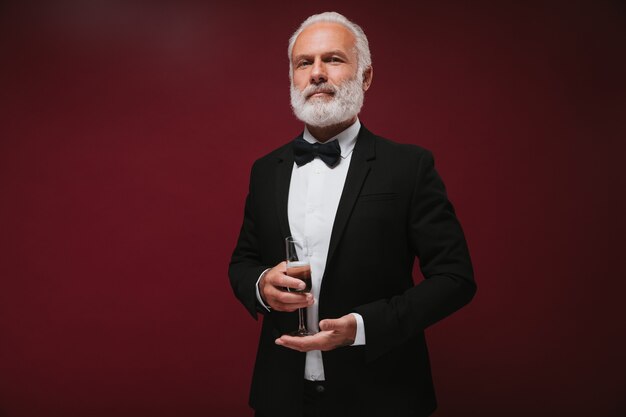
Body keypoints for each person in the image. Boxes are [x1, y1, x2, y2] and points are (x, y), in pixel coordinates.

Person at [229, 11, 476, 417]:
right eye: (304, 62)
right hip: (281, 396)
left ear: (366, 77)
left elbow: (455, 279)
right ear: (292, 77)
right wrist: (260, 284)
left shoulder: (409, 166)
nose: (317, 73)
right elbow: (242, 262)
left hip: (383, 395)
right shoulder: (265, 169)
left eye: (334, 59)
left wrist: (362, 328)